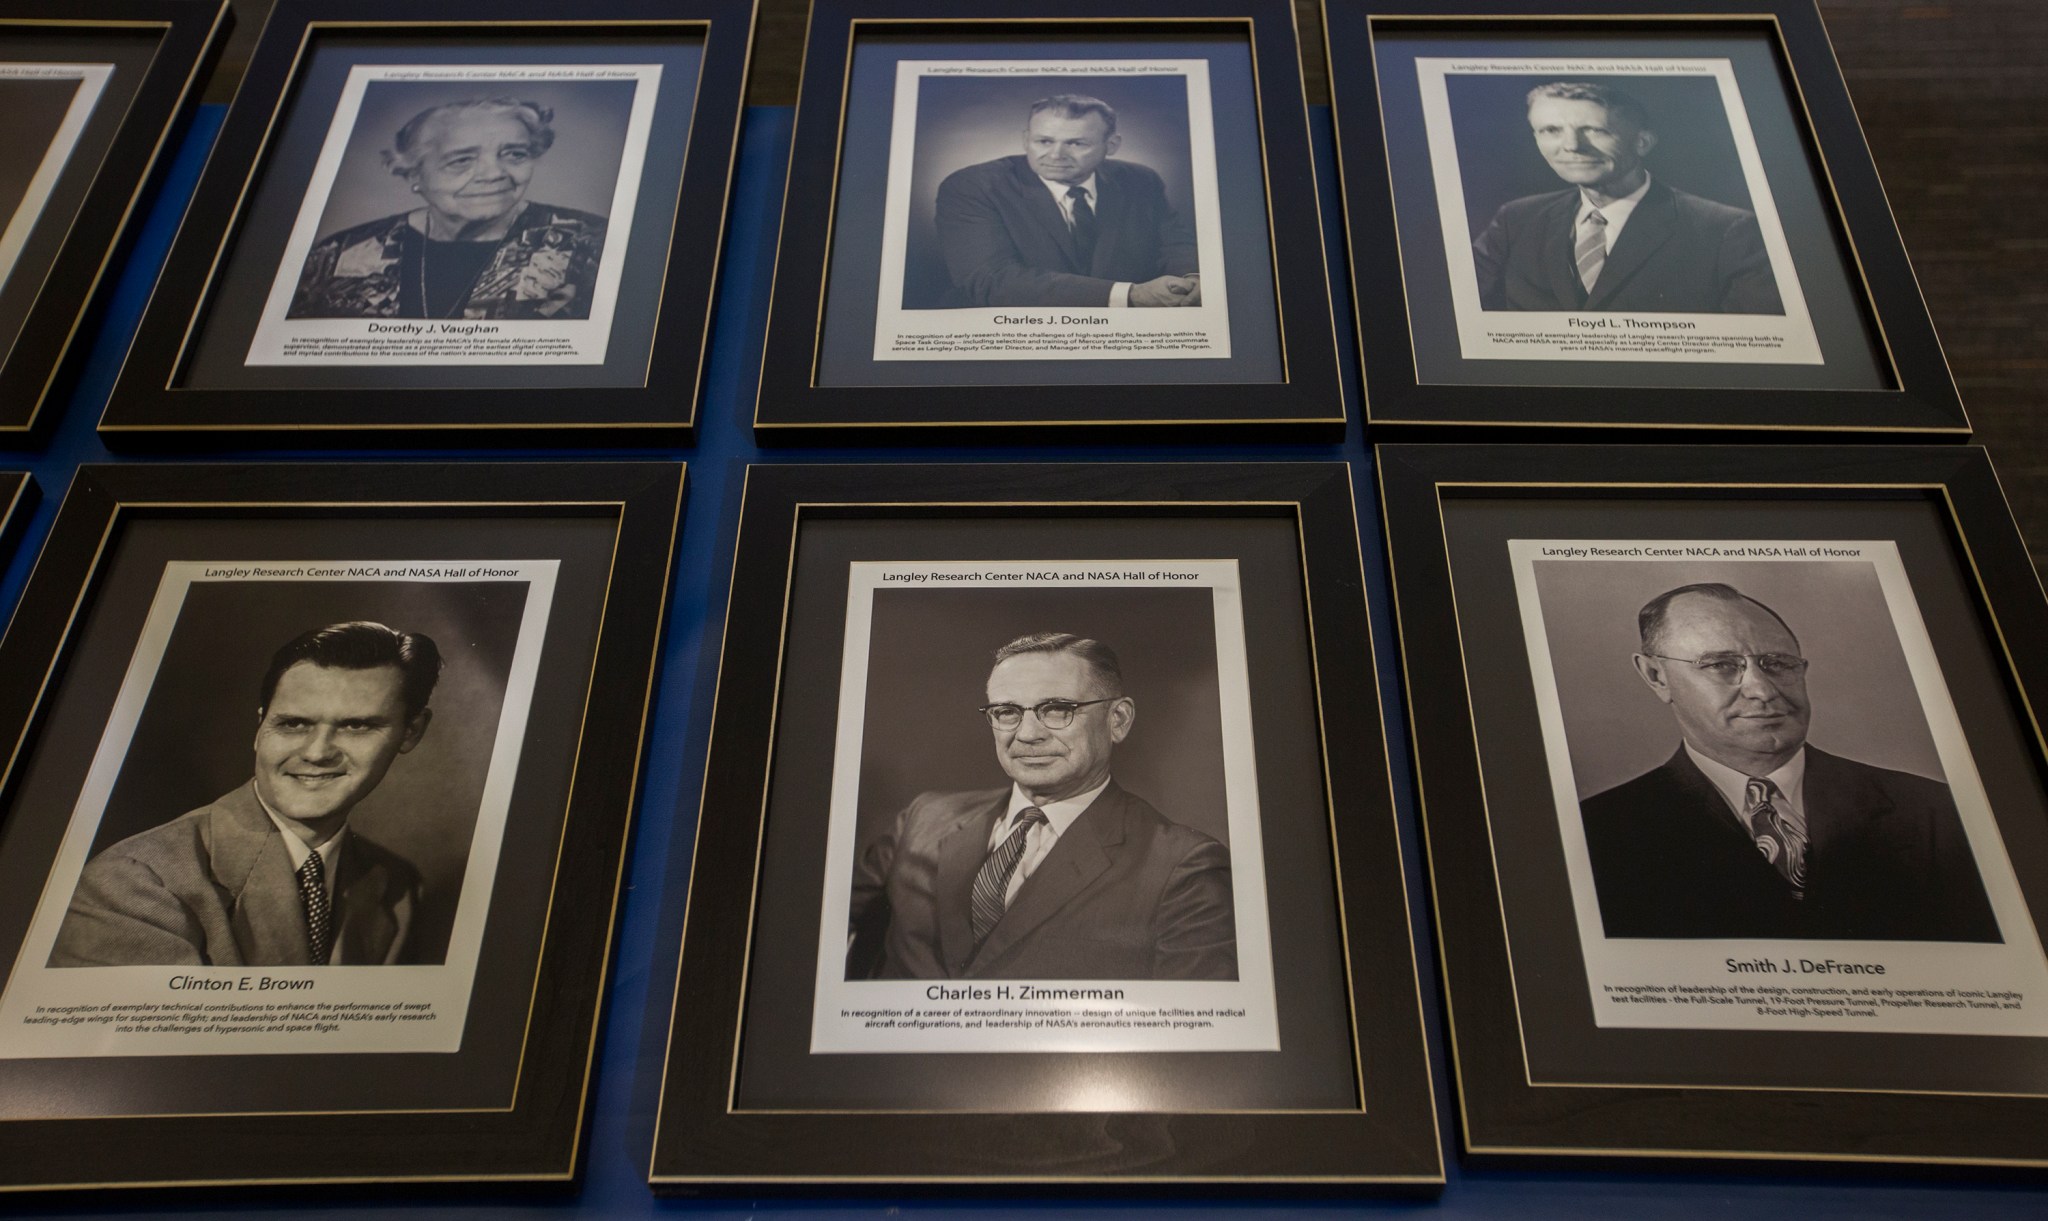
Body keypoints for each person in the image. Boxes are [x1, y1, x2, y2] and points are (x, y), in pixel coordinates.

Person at [1578, 583, 1999, 941]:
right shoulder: (1596, 834)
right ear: (1656, 677)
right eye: (1722, 665)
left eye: (1778, 664)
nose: (1762, 689)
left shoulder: (1937, 812)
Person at [847, 632, 1236, 980]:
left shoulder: (1183, 867)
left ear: (1117, 720)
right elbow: (811, 931)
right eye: (1007, 712)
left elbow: (1187, 1034)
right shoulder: (925, 818)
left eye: (1057, 709)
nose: (1028, 734)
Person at [50, 622, 442, 967]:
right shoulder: (134, 882)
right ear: (260, 727)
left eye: (357, 726)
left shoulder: (399, 887)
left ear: (411, 732)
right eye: (292, 723)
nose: (317, 752)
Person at [1471, 82, 1783, 314]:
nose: (1572, 146)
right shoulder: (1515, 219)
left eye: (1594, 130)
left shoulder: (1727, 231)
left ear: (1643, 142)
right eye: (1551, 130)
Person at [289, 97, 605, 319]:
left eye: (515, 155)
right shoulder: (340, 254)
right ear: (413, 173)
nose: (494, 174)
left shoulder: (591, 243)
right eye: (461, 160)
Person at [933, 94, 1201, 308]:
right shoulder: (974, 186)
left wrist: (1192, 280)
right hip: (1009, 333)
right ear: (1026, 139)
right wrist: (1131, 295)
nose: (1056, 155)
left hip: (1125, 334)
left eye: (1076, 144)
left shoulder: (1141, 180)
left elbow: (1175, 243)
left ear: (1111, 145)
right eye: (1044, 141)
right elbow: (991, 280)